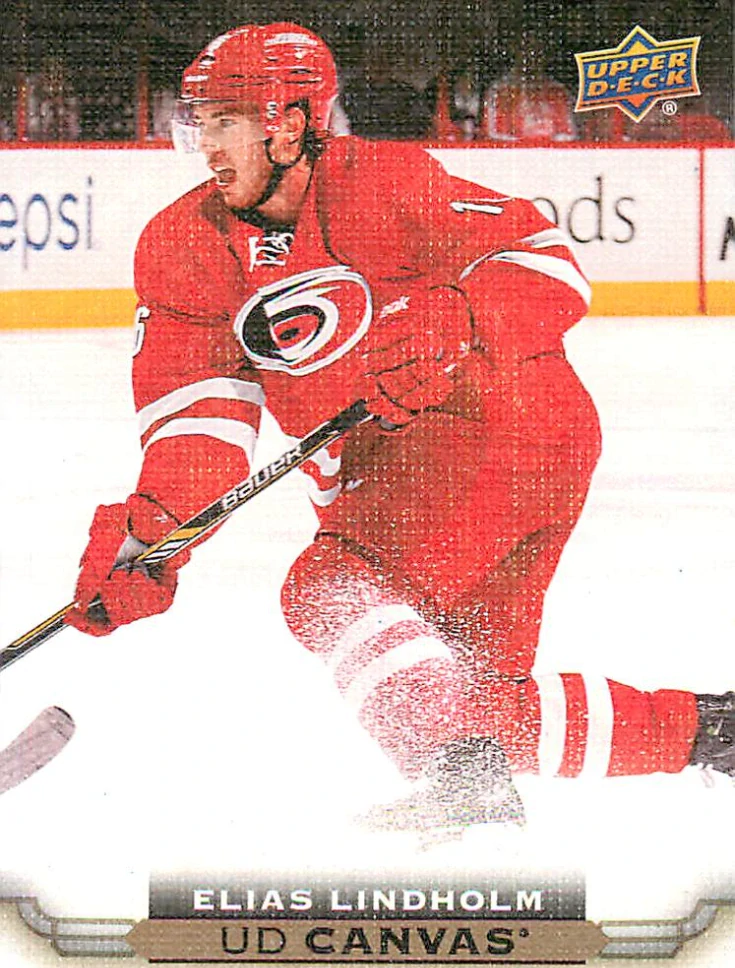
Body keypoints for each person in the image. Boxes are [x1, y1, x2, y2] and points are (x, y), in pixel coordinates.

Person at [65, 23, 735, 837]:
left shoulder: (381, 183)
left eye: (224, 122)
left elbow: (544, 259)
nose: (205, 144)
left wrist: (459, 315)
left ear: (288, 123)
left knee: (329, 589)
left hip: (491, 418)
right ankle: (712, 729)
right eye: (199, 122)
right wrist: (153, 533)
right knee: (471, 704)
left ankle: (463, 781)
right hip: (451, 462)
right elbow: (199, 419)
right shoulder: (185, 246)